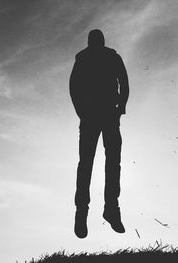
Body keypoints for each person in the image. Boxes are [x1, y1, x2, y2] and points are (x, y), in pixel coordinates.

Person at [69, 29, 129, 238]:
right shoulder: (83, 59)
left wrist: (120, 107)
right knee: (88, 164)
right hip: (91, 117)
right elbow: (74, 87)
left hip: (108, 116)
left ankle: (111, 210)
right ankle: (82, 212)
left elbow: (124, 83)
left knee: (111, 163)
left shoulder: (111, 58)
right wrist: (82, 112)